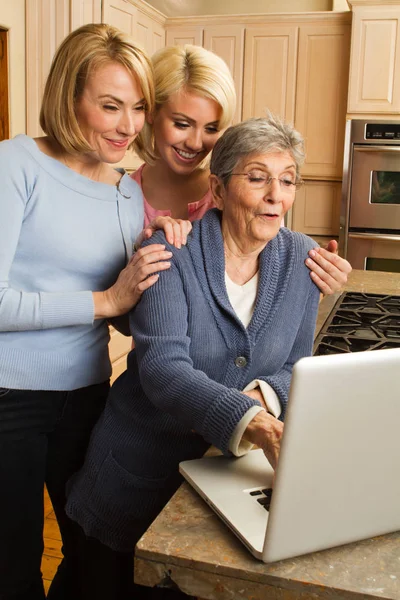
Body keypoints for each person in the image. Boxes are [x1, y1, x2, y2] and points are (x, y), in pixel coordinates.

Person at [61, 114, 322, 600]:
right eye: (258, 177)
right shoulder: (170, 253)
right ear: (218, 191)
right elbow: (163, 370)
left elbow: (297, 365)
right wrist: (256, 423)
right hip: (136, 478)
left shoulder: (304, 261)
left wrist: (258, 395)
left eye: (287, 180)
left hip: (226, 484)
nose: (275, 196)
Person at [0, 23, 190, 600]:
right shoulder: (16, 164)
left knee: (93, 552)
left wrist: (163, 267)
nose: (128, 125)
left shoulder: (126, 191)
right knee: (12, 566)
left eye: (137, 108)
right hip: (8, 398)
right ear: (68, 98)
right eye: (110, 106)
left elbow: (123, 310)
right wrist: (105, 300)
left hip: (88, 393)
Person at [133, 44, 352, 296]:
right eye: (182, 124)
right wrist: (143, 253)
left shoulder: (241, 192)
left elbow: (268, 285)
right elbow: (123, 314)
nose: (195, 143)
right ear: (150, 112)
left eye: (212, 129)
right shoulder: (122, 199)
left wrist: (318, 279)